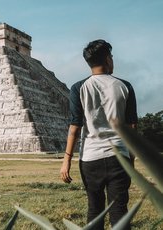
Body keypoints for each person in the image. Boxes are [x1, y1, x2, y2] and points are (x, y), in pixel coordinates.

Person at [60, 39, 138, 230]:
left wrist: (67, 159)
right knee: (119, 211)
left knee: (94, 210)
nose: (112, 60)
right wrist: (132, 160)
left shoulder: (78, 88)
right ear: (106, 59)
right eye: (111, 56)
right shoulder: (124, 86)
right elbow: (132, 128)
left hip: (90, 158)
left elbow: (75, 127)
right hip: (119, 156)